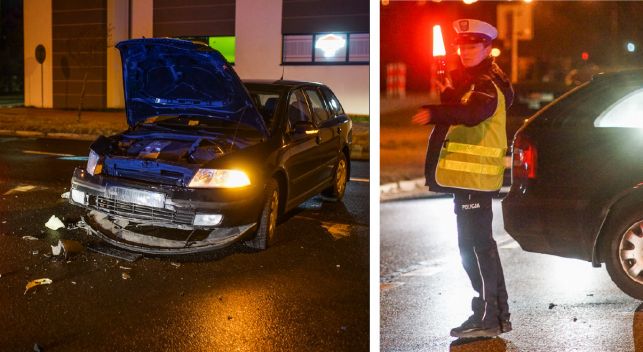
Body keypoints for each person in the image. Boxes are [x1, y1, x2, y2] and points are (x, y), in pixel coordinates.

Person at [411, 19, 514, 338]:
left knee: (475, 248)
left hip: (474, 181)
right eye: (461, 47)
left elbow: (471, 114)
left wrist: (434, 112)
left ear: (486, 48)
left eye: (472, 46)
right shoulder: (478, 79)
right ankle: (494, 314)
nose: (465, 52)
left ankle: (488, 316)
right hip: (469, 181)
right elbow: (463, 105)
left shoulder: (485, 82)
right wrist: (446, 88)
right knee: (477, 247)